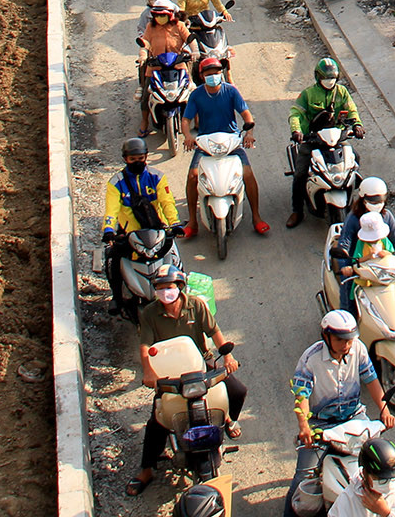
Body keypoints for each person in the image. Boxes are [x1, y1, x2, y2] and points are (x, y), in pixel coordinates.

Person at [126, 262, 248, 496]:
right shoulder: (150, 313)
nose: (165, 292)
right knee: (158, 420)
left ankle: (228, 420)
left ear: (179, 286)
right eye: (160, 288)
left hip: (201, 363)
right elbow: (145, 346)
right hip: (169, 370)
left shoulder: (197, 306)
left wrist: (228, 356)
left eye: (169, 287)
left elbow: (215, 332)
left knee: (237, 391)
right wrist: (149, 372)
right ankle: (147, 468)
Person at [329, 180, 395, 366]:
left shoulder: (386, 217)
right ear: (362, 199)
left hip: (384, 272)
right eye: (372, 200)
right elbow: (344, 243)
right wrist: (346, 265)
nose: (377, 204)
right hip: (359, 272)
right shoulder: (353, 219)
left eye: (380, 200)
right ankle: (347, 348)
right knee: (348, 309)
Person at [292, 312, 395, 473]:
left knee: (381, 465)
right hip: (321, 425)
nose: (345, 345)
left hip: (354, 418)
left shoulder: (358, 348)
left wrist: (385, 411)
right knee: (303, 475)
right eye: (339, 339)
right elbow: (301, 396)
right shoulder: (310, 359)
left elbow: (371, 380)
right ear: (326, 337)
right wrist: (304, 426)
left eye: (349, 340)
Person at [180, 56, 269, 236]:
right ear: (202, 75)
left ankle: (256, 217)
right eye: (209, 74)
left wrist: (249, 133)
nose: (213, 76)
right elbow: (185, 120)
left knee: (248, 174)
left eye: (217, 73)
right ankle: (192, 221)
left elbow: (246, 115)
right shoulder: (196, 95)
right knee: (192, 176)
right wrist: (188, 136)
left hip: (232, 141)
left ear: (221, 73)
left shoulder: (231, 92)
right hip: (205, 143)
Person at [102, 137, 179, 314]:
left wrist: (174, 224)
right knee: (112, 258)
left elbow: (167, 202)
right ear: (125, 159)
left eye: (140, 158)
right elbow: (111, 211)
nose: (137, 162)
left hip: (157, 233)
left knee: (174, 257)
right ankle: (117, 297)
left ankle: (181, 288)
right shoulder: (116, 183)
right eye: (132, 159)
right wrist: (108, 229)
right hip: (130, 234)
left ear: (146, 157)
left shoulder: (157, 177)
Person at [286, 58, 364, 228]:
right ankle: (297, 210)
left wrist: (357, 124)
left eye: (332, 77)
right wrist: (297, 131)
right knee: (300, 173)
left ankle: (357, 200)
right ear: (317, 77)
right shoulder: (308, 94)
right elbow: (295, 113)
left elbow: (352, 109)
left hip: (336, 137)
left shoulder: (342, 92)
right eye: (326, 77)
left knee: (355, 160)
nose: (330, 81)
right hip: (313, 139)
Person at [329, 437, 395, 517]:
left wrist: (387, 513)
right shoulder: (348, 500)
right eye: (381, 480)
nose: (389, 485)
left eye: (392, 479)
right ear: (364, 473)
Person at [137, 0, 193, 136]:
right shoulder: (151, 27)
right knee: (146, 95)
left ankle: (197, 120)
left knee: (192, 91)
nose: (160, 18)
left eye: (163, 15)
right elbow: (145, 43)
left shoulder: (179, 26)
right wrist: (143, 55)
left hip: (178, 66)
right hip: (156, 67)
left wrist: (195, 51)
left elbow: (190, 39)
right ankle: (144, 121)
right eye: (157, 15)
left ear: (171, 15)